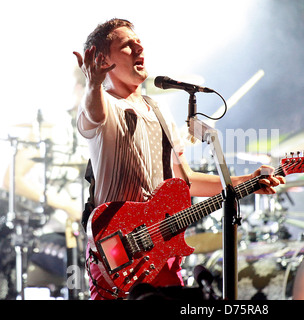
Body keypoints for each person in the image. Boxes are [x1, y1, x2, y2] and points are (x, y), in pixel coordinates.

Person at [73, 18, 285, 300]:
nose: (139, 46)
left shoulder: (157, 109)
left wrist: (249, 181)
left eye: (138, 41)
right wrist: (93, 84)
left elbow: (185, 180)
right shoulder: (103, 103)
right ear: (103, 60)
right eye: (126, 45)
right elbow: (93, 112)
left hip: (160, 248)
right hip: (117, 247)